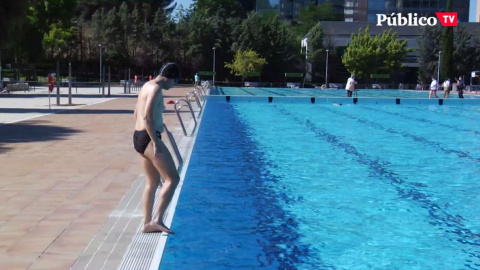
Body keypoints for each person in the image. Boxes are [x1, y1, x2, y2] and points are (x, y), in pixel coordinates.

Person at [133, 62, 181, 234]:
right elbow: (146, 116)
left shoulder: (147, 85)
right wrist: (155, 143)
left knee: (152, 182)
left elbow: (136, 113)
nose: (173, 86)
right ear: (169, 78)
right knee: (172, 179)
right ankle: (157, 220)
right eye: (175, 82)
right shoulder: (155, 89)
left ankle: (147, 224)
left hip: (139, 137)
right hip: (148, 138)